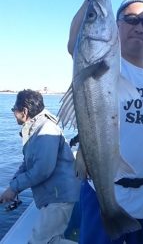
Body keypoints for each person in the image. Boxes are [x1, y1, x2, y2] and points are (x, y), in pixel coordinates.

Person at [68, 0, 143, 243]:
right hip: (104, 194)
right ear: (116, 26)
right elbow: (76, 42)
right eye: (131, 19)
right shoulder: (101, 62)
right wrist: (92, 0)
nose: (139, 27)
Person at [0, 89, 80, 244]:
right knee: (51, 239)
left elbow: (42, 170)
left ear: (24, 111)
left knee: (43, 242)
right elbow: (28, 163)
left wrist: (15, 188)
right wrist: (12, 186)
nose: (13, 113)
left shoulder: (46, 129)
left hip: (59, 195)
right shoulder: (35, 129)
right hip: (55, 194)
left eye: (13, 110)